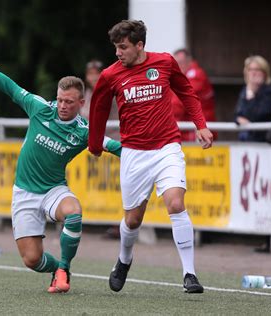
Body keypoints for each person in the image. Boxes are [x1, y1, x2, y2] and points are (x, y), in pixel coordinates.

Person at [0, 52, 122, 293]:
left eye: (69, 102)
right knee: (32, 260)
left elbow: (114, 146)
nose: (62, 106)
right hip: (24, 193)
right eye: (60, 99)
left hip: (54, 189)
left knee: (74, 213)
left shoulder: (85, 130)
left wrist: (145, 158)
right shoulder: (40, 108)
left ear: (81, 104)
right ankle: (54, 270)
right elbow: (9, 86)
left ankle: (63, 269)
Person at [88, 20, 213, 294]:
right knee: (133, 220)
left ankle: (189, 273)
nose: (118, 53)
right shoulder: (111, 75)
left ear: (140, 45)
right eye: (116, 48)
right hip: (134, 153)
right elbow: (97, 109)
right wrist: (95, 144)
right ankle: (124, 259)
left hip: (167, 146)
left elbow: (187, 92)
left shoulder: (165, 63)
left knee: (176, 203)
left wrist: (201, 124)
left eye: (123, 47)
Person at [171, 48, 217, 141]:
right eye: (175, 63)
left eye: (180, 62)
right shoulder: (181, 77)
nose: (177, 66)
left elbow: (180, 102)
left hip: (199, 131)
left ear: (189, 61)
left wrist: (163, 121)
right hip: (191, 129)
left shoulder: (196, 75)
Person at [234, 55, 271, 142]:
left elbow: (256, 115)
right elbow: (237, 114)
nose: (253, 73)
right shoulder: (245, 89)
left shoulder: (270, 91)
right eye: (250, 70)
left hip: (264, 140)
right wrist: (238, 120)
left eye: (257, 70)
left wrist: (252, 94)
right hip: (247, 139)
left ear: (265, 73)